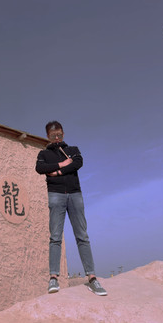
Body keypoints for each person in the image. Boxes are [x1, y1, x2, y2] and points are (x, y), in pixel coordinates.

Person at [35, 121, 107, 296]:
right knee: (55, 237)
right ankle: (53, 278)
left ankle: (92, 277)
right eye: (53, 135)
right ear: (48, 136)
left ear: (63, 134)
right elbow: (40, 168)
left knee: (82, 236)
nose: (57, 138)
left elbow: (78, 163)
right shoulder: (44, 153)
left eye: (59, 134)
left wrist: (57, 173)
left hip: (75, 194)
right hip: (55, 195)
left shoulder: (73, 149)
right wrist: (62, 164)